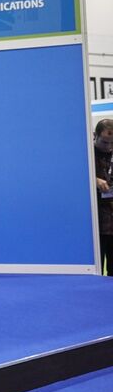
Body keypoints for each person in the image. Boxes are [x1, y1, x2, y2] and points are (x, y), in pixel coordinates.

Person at [94, 118, 113, 276]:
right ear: (95, 136)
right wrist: (93, 180)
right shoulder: (86, 156)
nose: (109, 147)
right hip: (95, 224)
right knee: (96, 272)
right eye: (105, 142)